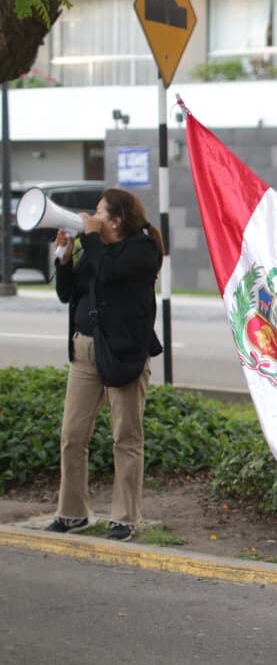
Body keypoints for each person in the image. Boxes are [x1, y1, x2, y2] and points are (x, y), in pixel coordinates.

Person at [45, 188, 164, 542]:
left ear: (116, 220)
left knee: (125, 436)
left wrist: (90, 238)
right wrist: (64, 258)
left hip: (123, 352)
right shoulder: (94, 250)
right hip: (85, 351)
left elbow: (110, 274)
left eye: (98, 212)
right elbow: (69, 294)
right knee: (72, 435)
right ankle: (72, 513)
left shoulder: (141, 249)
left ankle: (125, 518)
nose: (91, 217)